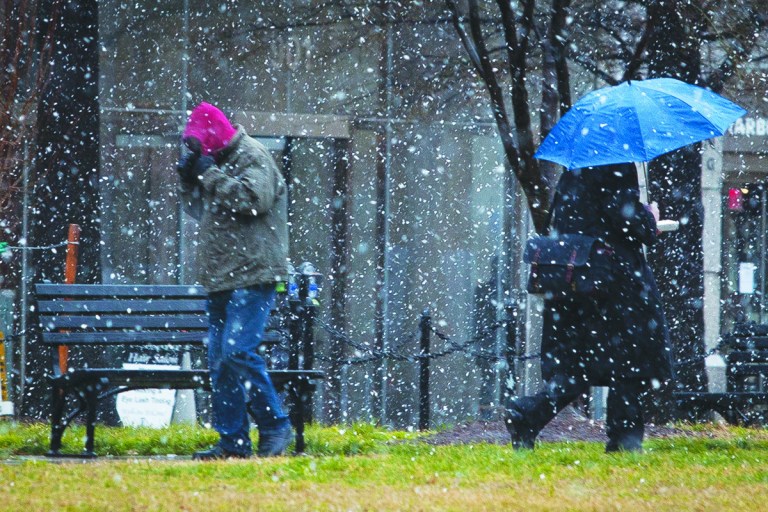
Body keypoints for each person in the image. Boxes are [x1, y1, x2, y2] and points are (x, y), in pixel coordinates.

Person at [507, 162, 673, 452]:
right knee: (630, 361)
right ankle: (624, 440)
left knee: (579, 366)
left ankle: (528, 414)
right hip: (614, 283)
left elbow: (568, 221)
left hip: (580, 282)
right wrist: (649, 218)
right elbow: (627, 220)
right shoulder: (615, 164)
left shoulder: (576, 169)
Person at [176, 101, 294, 459]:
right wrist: (189, 177)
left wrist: (209, 175)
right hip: (221, 277)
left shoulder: (252, 155)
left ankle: (275, 425)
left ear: (215, 135)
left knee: (237, 351)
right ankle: (233, 443)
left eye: (200, 142)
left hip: (254, 272)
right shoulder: (219, 163)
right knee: (220, 361)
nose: (200, 149)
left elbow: (253, 200)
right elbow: (197, 209)